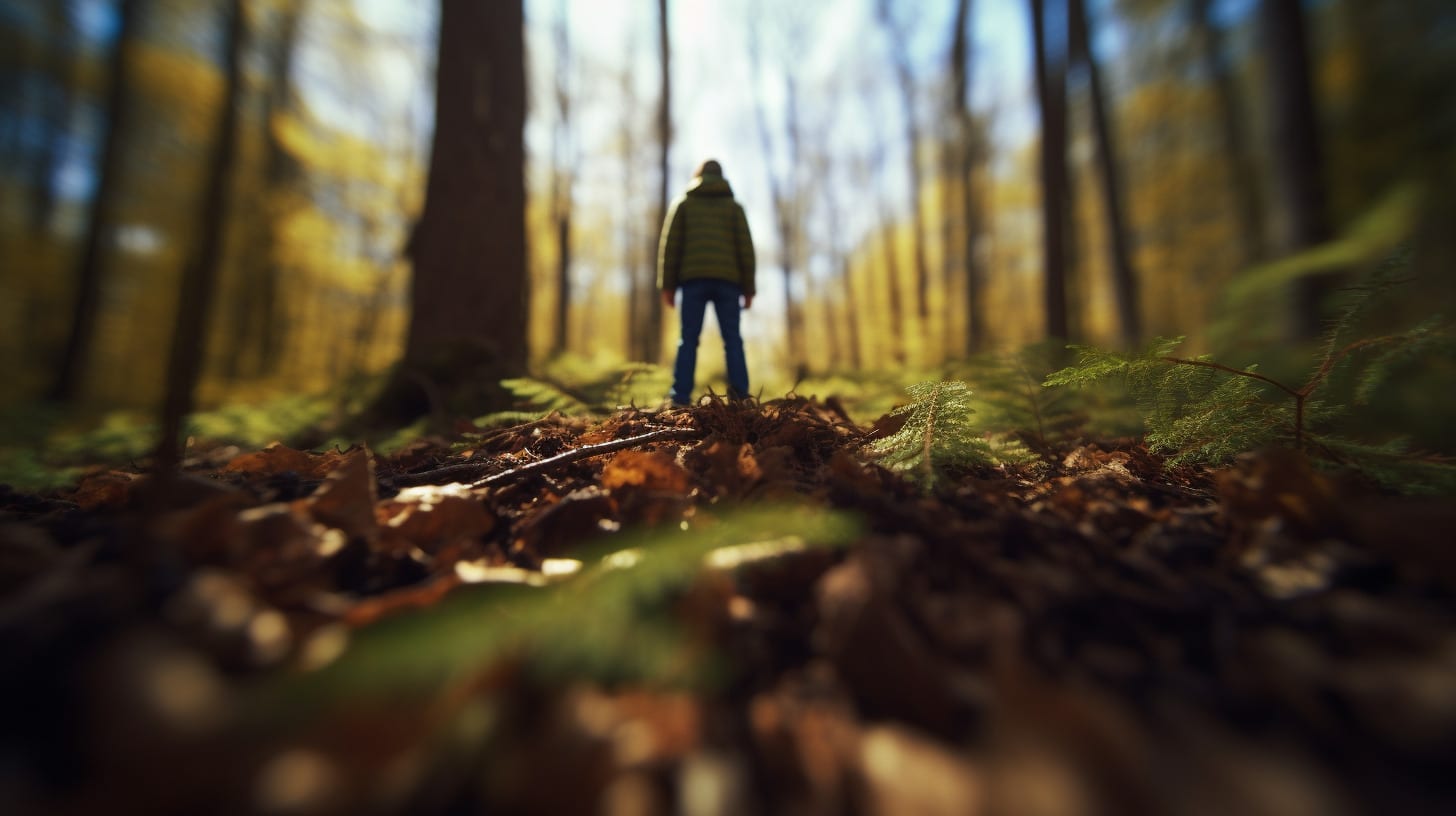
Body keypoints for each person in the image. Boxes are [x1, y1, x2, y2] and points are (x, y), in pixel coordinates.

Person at [657, 158, 756, 406]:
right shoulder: (734, 208)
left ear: (697, 176)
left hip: (693, 281)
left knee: (688, 339)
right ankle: (741, 397)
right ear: (722, 178)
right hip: (728, 282)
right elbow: (746, 249)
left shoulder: (684, 204)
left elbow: (670, 247)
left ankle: (679, 397)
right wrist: (749, 288)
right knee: (732, 339)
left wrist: (667, 285)